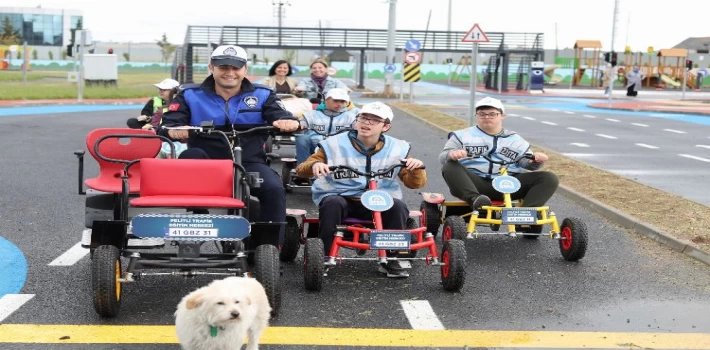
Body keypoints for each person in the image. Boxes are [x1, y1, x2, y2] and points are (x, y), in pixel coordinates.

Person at [158, 45, 299, 228]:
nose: (230, 72)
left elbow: (280, 114)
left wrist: (287, 122)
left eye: (236, 67)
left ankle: (268, 245)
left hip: (249, 161)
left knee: (273, 188)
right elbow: (166, 125)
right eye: (223, 67)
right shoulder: (190, 95)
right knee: (188, 158)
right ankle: (198, 222)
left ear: (245, 69)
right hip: (205, 161)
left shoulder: (262, 94)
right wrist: (173, 130)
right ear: (211, 68)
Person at [295, 102, 427, 278]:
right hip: (342, 198)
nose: (367, 123)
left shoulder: (398, 148)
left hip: (380, 200)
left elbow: (414, 184)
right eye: (364, 118)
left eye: (375, 120)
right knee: (332, 203)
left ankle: (392, 258)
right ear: (356, 120)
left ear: (386, 126)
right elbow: (302, 168)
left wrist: (416, 169)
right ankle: (324, 257)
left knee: (399, 207)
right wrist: (315, 164)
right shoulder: (333, 144)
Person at [439, 97, 558, 220]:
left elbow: (526, 163)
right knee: (450, 165)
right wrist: (451, 155)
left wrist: (534, 161)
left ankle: (525, 214)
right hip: (476, 183)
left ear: (502, 116)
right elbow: (443, 157)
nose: (486, 117)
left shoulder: (515, 139)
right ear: (476, 116)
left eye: (492, 114)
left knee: (549, 178)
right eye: (482, 114)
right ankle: (476, 201)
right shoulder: (462, 135)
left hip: (509, 184)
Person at [294, 87, 359, 168]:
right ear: (326, 100)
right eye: (335, 100)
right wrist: (298, 125)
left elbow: (358, 128)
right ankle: (303, 168)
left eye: (342, 101)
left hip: (338, 148)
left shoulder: (351, 117)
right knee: (302, 138)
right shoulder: (311, 115)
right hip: (314, 146)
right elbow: (300, 124)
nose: (339, 104)